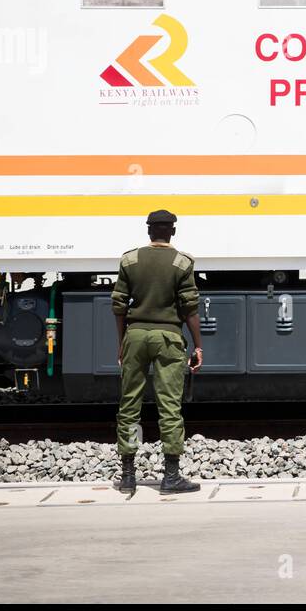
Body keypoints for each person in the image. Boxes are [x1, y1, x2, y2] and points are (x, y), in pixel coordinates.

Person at [111, 209, 204, 493]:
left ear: (148, 231)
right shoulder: (181, 262)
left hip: (135, 337)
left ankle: (128, 475)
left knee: (130, 405)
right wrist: (198, 344)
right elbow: (189, 308)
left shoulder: (130, 260)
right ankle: (171, 476)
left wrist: (122, 343)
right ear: (172, 231)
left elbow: (118, 305)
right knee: (169, 406)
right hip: (168, 338)